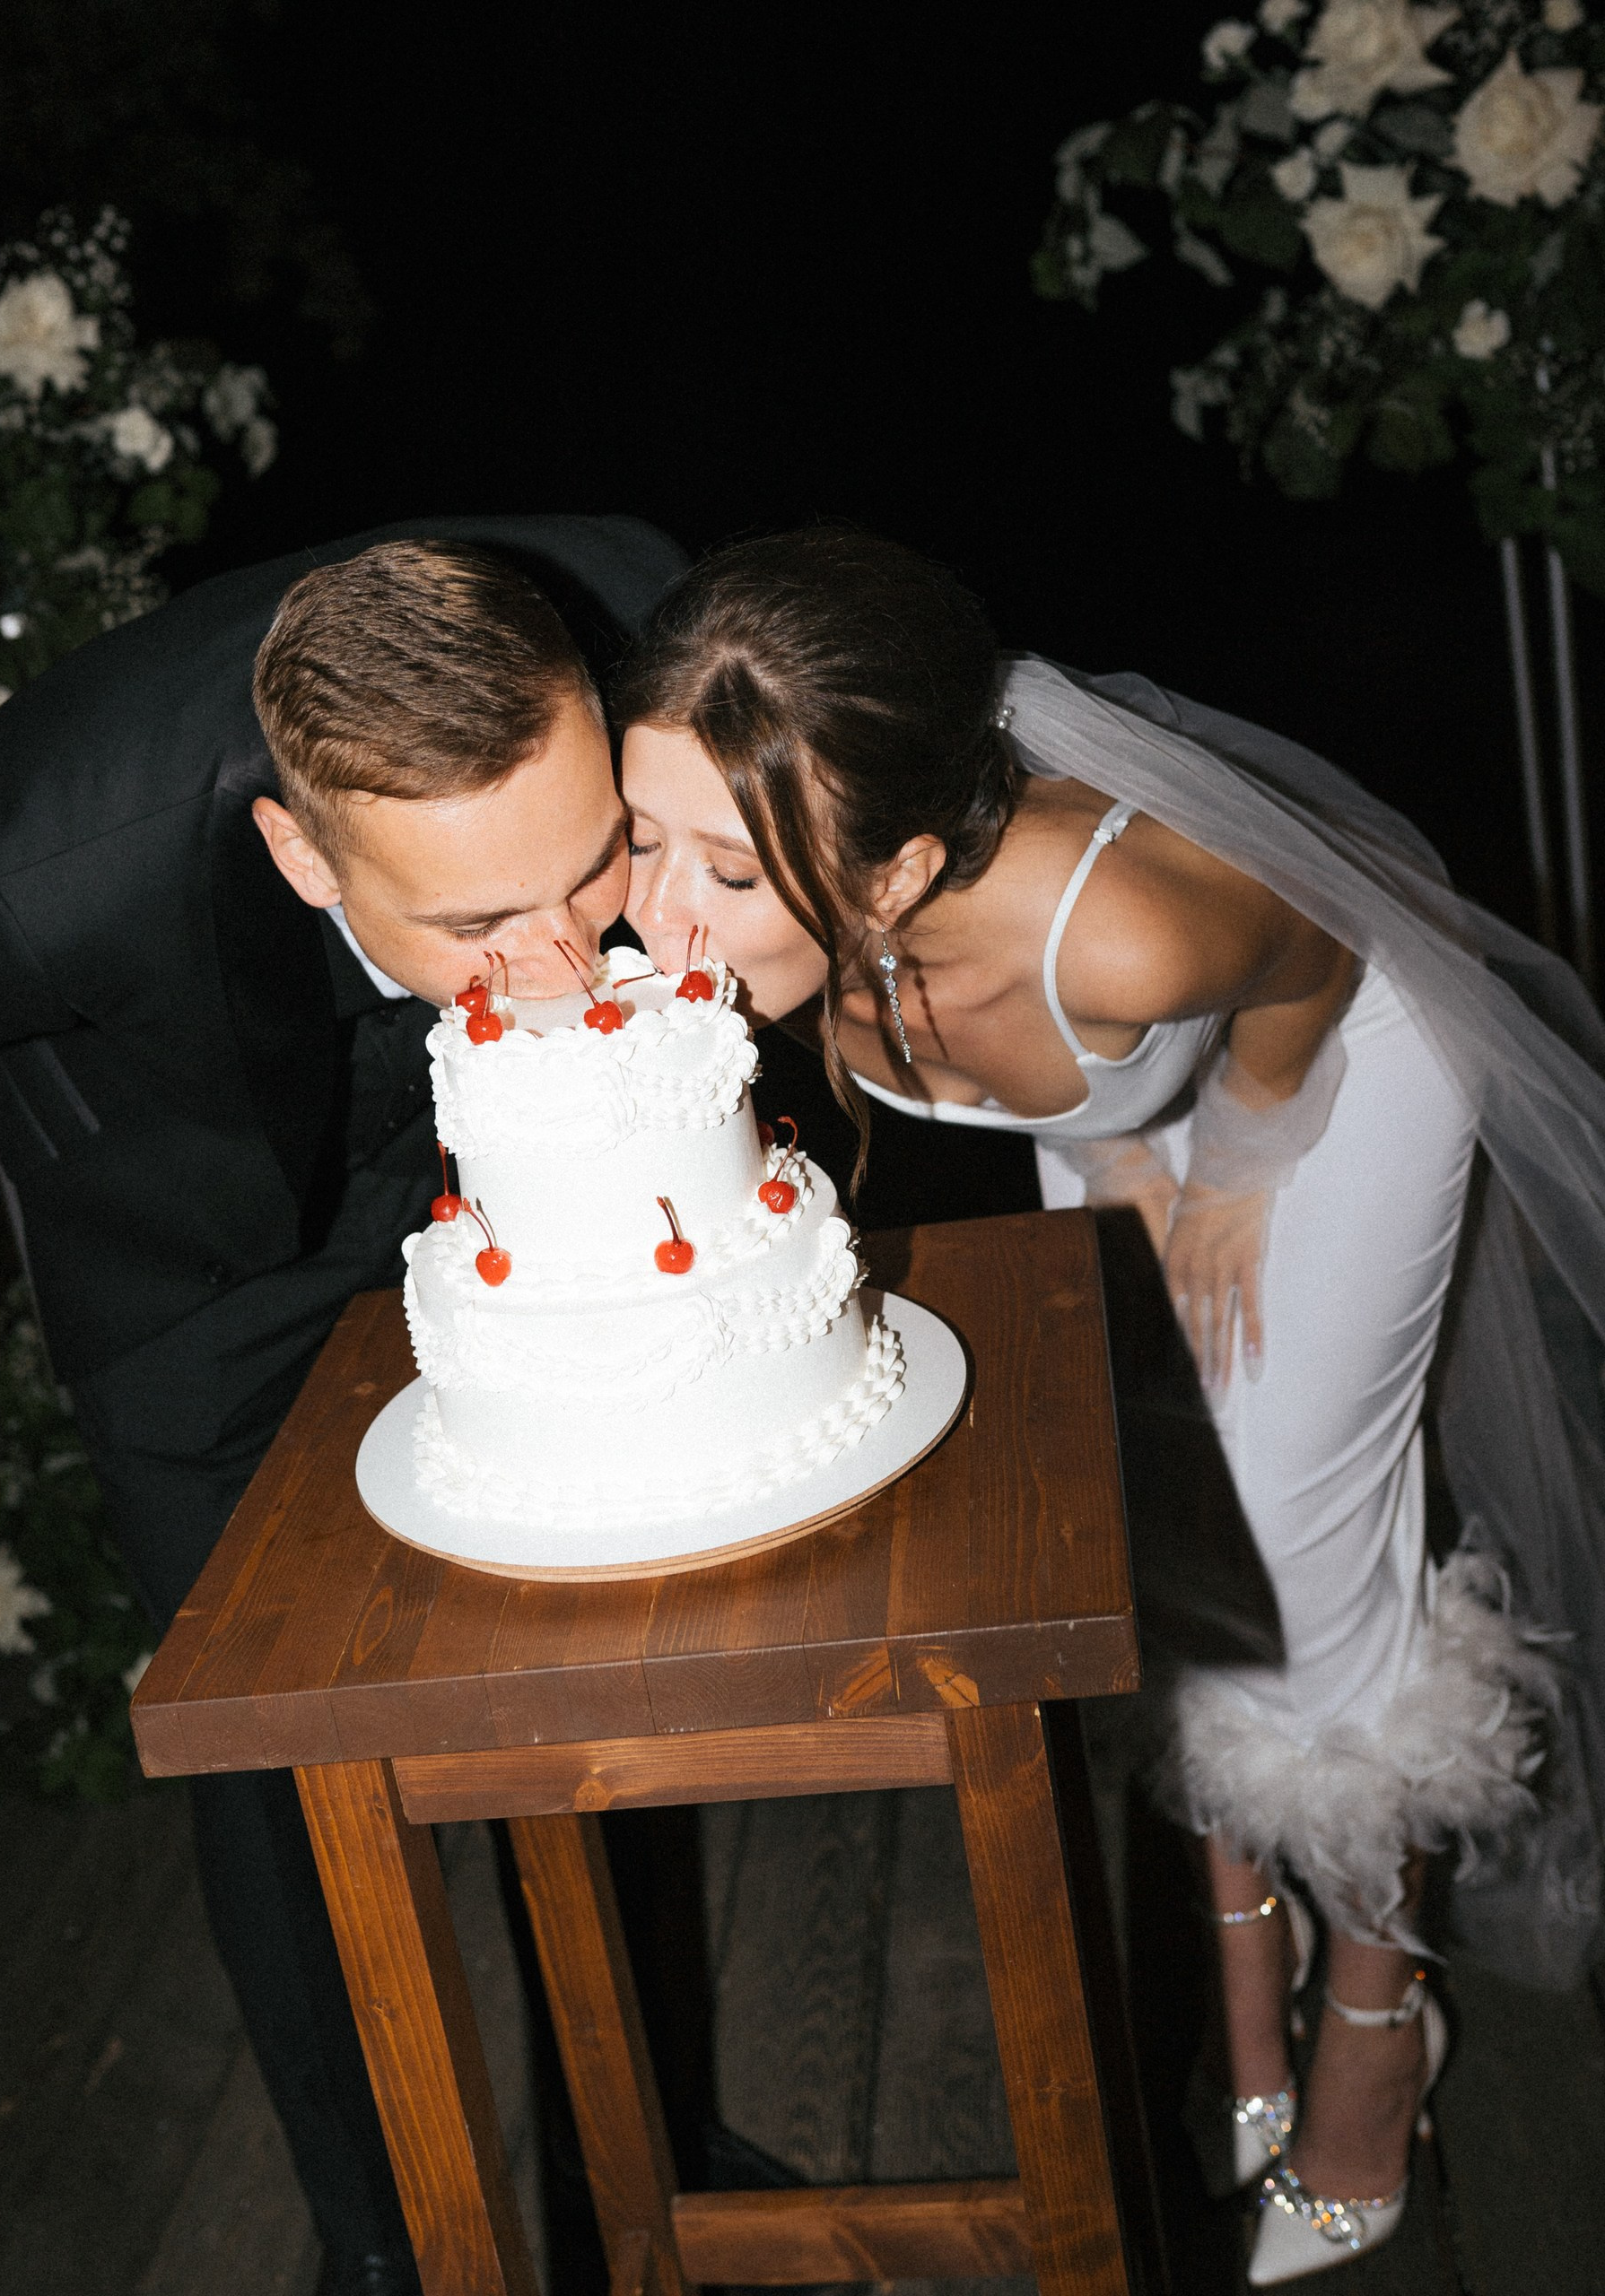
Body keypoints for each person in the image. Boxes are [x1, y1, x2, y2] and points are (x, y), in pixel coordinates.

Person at [612, 526, 1605, 2286]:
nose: (656, 913)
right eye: (640, 836)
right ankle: (1241, 1922)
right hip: (1136, 1110)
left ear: (902, 867)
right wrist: (1121, 1144)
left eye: (725, 870)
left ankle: (1378, 2029)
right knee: (1152, 1499)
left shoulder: (1127, 929)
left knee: (1304, 1545)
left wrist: (1231, 1157)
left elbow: (1304, 953)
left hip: (1334, 1065)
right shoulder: (799, 923)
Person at [0, 513, 685, 2296]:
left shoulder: (649, 606)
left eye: (591, 869)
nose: (568, 964)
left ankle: (651, 2166)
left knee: (592, 1652)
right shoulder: (17, 879)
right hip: (193, 1267)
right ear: (294, 849)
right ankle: (375, 2232)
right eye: (481, 916)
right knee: (273, 1748)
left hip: (514, 1179)